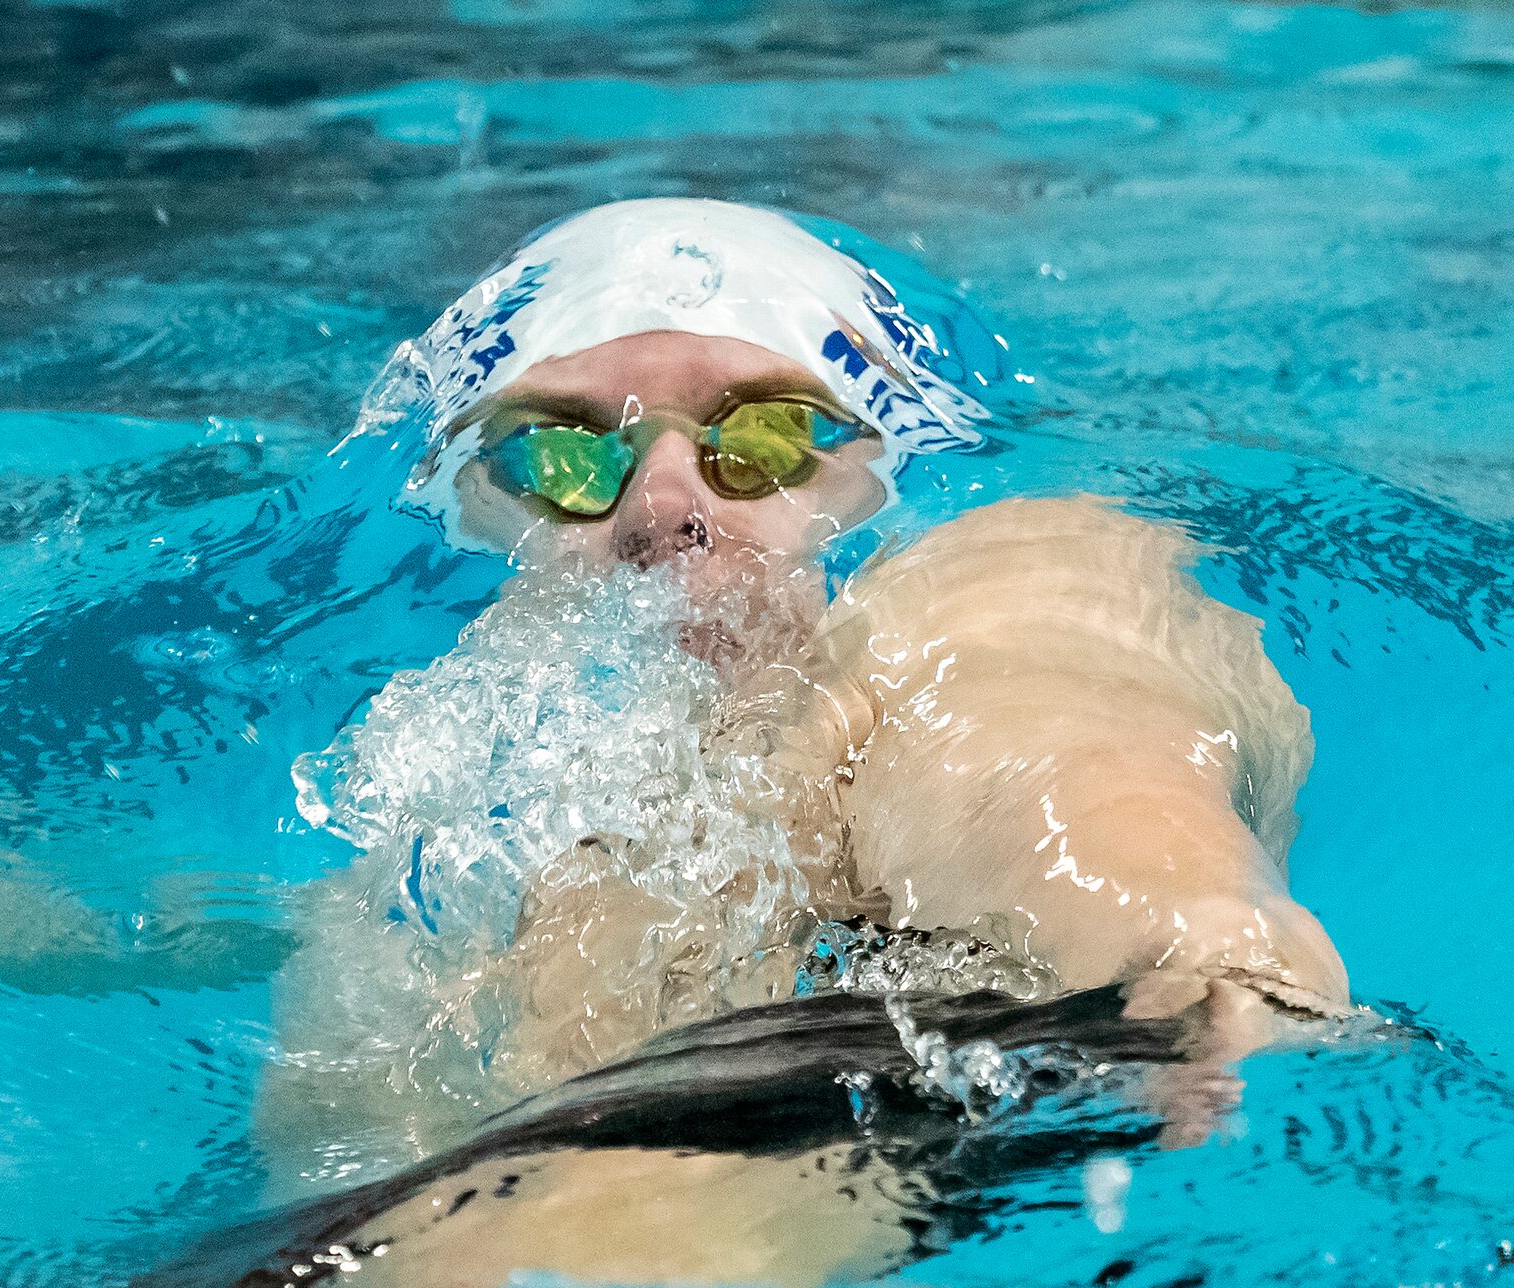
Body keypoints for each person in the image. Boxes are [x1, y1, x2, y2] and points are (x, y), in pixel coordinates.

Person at [262, 197, 1348, 1194]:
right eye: (566, 459)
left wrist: (1192, 954)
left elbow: (1058, 773)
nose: (666, 506)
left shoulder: (995, 594)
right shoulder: (447, 816)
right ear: (476, 515)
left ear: (887, 468)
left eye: (765, 439)